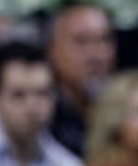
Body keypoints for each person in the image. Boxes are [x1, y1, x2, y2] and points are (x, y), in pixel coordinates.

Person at [46, 2, 117, 156]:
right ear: (53, 50)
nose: (97, 54)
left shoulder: (127, 113)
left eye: (104, 40)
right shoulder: (42, 116)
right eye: (81, 41)